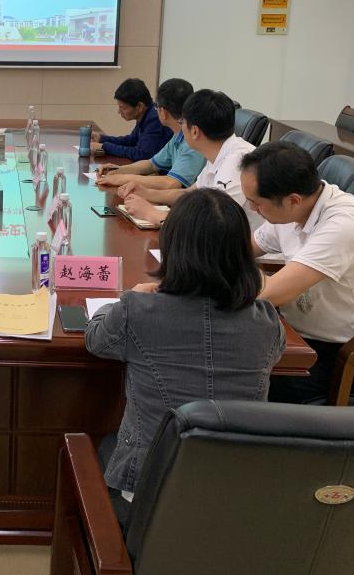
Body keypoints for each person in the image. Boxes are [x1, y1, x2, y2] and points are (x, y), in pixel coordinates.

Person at [85, 189, 284, 521]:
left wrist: (125, 299)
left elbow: (95, 340)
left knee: (102, 445)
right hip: (239, 485)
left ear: (173, 248)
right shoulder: (266, 320)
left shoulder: (139, 311)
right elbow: (274, 356)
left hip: (151, 488)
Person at [240, 142, 354, 404]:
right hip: (300, 336)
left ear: (293, 200)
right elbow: (244, 248)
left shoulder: (343, 225)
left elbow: (268, 294)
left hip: (350, 356)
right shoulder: (293, 209)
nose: (252, 209)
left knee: (238, 374)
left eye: (256, 203)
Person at [116, 89, 263, 229]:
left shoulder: (236, 162)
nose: (180, 128)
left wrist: (152, 214)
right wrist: (146, 193)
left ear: (195, 131)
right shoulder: (218, 153)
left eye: (182, 123)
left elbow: (213, 224)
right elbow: (188, 194)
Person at [96, 78, 204, 192]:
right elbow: (152, 164)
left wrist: (124, 179)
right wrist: (120, 170)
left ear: (163, 112)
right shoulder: (178, 135)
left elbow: (172, 183)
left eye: (156, 106)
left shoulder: (192, 140)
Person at [89, 78, 172, 162]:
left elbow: (142, 155)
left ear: (139, 106)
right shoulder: (145, 113)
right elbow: (131, 140)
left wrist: (104, 147)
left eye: (123, 108)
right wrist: (101, 138)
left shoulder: (155, 119)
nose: (119, 112)